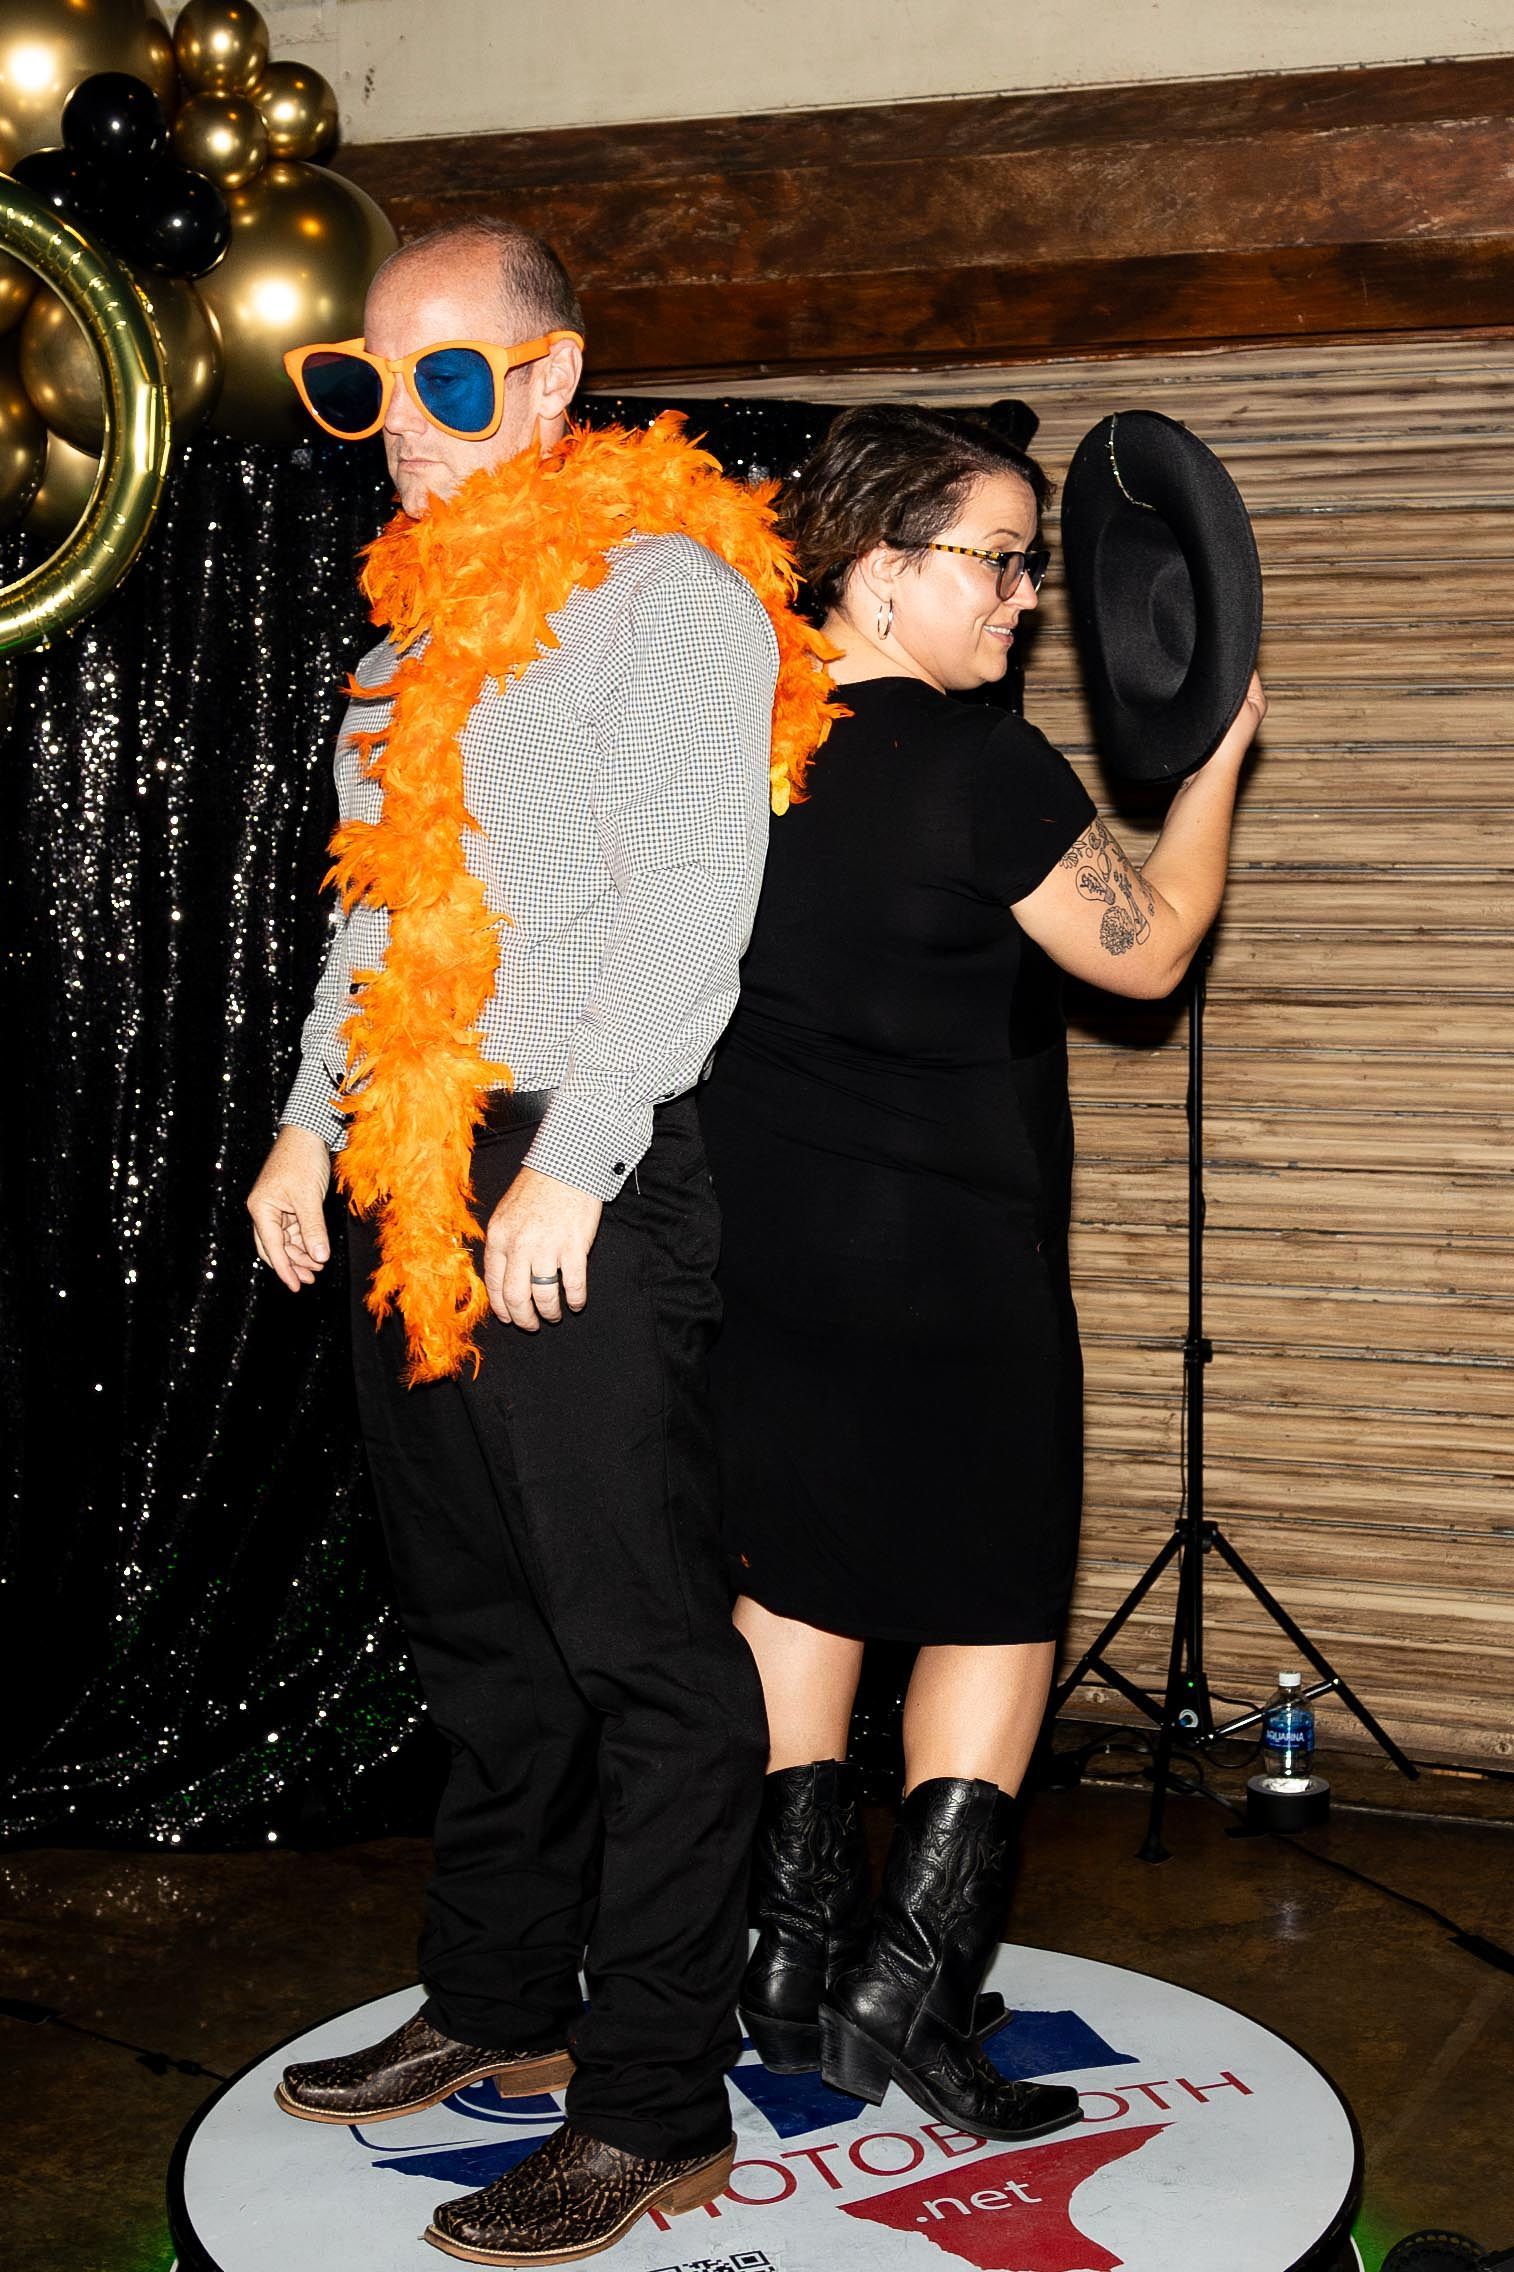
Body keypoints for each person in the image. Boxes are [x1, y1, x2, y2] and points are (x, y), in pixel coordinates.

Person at [244, 217, 834, 2265]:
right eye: (367, 382)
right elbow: (377, 910)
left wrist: (573, 1159)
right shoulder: (406, 627)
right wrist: (310, 1126)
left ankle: (656, 2100)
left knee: (643, 1648)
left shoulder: (664, 591)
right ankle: (499, 2000)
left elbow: (694, 892)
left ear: (556, 378)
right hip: (414, 1144)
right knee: (483, 1631)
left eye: (453, 378)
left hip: (583, 1148)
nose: (401, 424)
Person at [698, 402, 1266, 2141]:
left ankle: (788, 1964)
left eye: (1029, 561)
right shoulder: (976, 762)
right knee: (992, 1604)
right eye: (997, 561)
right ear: (877, 574)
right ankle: (909, 1995)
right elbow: (1150, 950)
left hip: (767, 1256)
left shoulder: (732, 751)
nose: (1026, 598)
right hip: (948, 1270)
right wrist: (1213, 763)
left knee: (797, 1580)